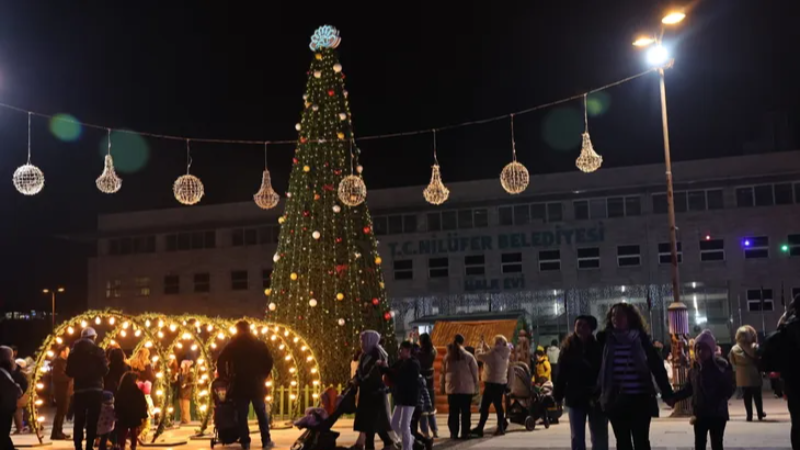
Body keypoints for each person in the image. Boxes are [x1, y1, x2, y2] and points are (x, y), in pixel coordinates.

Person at [597, 303, 673, 450]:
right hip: (616, 401)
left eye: (620, 315)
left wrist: (667, 392)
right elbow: (597, 369)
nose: (616, 318)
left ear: (630, 318)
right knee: (623, 442)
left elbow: (657, 367)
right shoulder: (606, 341)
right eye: (613, 315)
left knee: (641, 441)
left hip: (640, 400)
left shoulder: (642, 340)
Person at [668, 330, 734, 450]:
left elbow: (729, 387)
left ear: (711, 350)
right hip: (700, 413)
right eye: (698, 349)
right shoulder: (694, 368)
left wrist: (718, 400)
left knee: (717, 443)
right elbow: (689, 389)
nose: (700, 352)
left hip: (717, 414)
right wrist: (674, 397)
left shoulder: (720, 366)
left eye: (704, 349)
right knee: (699, 443)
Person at [217, 320, 275, 450]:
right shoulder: (259, 344)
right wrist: (262, 376)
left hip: (240, 384)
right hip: (256, 384)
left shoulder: (233, 344)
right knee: (261, 413)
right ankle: (266, 441)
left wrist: (224, 377)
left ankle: (245, 442)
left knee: (242, 415)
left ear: (238, 330)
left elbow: (221, 359)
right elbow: (269, 361)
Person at [555, 315, 608, 450]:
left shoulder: (598, 347)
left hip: (595, 397)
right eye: (578, 325)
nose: (580, 328)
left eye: (584, 325)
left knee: (599, 435)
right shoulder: (567, 348)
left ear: (591, 329)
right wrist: (558, 395)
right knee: (577, 436)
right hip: (575, 397)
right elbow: (561, 373)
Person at [761, 296, 800, 450]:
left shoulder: (786, 329)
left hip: (793, 383)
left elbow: (766, 350)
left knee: (797, 423)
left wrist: (782, 323)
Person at [351, 330, 397, 450]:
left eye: (363, 340)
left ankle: (378, 445)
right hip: (368, 394)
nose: (361, 343)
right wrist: (355, 380)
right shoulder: (366, 354)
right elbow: (360, 371)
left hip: (374, 395)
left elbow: (366, 372)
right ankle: (389, 444)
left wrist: (358, 379)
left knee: (370, 426)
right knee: (373, 426)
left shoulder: (376, 354)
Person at [66, 327, 109, 450]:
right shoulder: (98, 350)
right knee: (92, 420)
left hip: (79, 390)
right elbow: (105, 370)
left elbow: (69, 371)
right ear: (93, 337)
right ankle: (89, 447)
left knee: (78, 420)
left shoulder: (73, 352)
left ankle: (78, 446)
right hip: (95, 389)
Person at [380, 341, 420, 450]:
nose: (400, 352)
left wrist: (387, 370)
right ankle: (406, 443)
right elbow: (392, 372)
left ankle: (407, 447)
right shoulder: (400, 362)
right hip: (400, 398)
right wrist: (385, 369)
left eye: (401, 350)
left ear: (408, 351)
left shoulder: (413, 364)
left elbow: (400, 376)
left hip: (409, 398)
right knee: (393, 425)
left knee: (404, 425)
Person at [440, 334, 478, 440]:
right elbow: (475, 373)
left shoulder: (447, 357)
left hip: (452, 390)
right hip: (466, 389)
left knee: (453, 412)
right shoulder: (469, 356)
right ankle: (465, 433)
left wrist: (443, 386)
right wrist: (475, 385)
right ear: (463, 342)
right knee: (466, 412)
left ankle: (454, 433)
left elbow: (442, 373)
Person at [471, 334, 510, 437]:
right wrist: (485, 345)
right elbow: (491, 352)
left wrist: (479, 345)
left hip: (491, 383)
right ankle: (495, 427)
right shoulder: (505, 353)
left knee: (486, 406)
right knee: (497, 406)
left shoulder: (493, 354)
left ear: (496, 343)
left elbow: (479, 355)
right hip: (501, 383)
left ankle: (491, 428)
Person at [729, 325, 766, 421]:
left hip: (742, 376)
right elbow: (761, 359)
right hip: (754, 374)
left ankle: (749, 415)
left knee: (747, 397)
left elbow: (732, 361)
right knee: (757, 396)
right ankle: (760, 413)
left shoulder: (734, 349)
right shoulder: (755, 347)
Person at [115, 372, 149, 450]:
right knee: (134, 431)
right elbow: (142, 403)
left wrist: (117, 412)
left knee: (123, 431)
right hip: (134, 415)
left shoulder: (120, 391)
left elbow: (117, 402)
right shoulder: (137, 391)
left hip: (123, 414)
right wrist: (143, 414)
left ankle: (122, 446)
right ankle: (133, 446)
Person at [1, 346, 23, 450]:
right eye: (11, 358)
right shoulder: (2, 373)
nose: (13, 361)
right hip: (3, 410)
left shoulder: (5, 372)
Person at [416, 334, 438, 438]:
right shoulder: (433, 351)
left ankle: (425, 432)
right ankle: (435, 430)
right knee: (431, 408)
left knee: (423, 409)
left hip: (421, 382)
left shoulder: (419, 353)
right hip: (431, 382)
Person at [51, 345, 73, 440]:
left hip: (66, 390)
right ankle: (55, 433)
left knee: (62, 412)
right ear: (62, 352)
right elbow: (58, 377)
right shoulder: (58, 363)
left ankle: (59, 431)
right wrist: (70, 376)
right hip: (61, 391)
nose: (68, 353)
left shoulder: (65, 362)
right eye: (67, 351)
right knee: (60, 412)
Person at [178, 360, 194, 425]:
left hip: (186, 392)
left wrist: (186, 384)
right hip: (181, 392)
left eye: (183, 364)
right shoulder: (181, 373)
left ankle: (186, 420)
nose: (181, 365)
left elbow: (193, 382)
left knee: (185, 407)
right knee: (181, 407)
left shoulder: (190, 373)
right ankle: (182, 420)